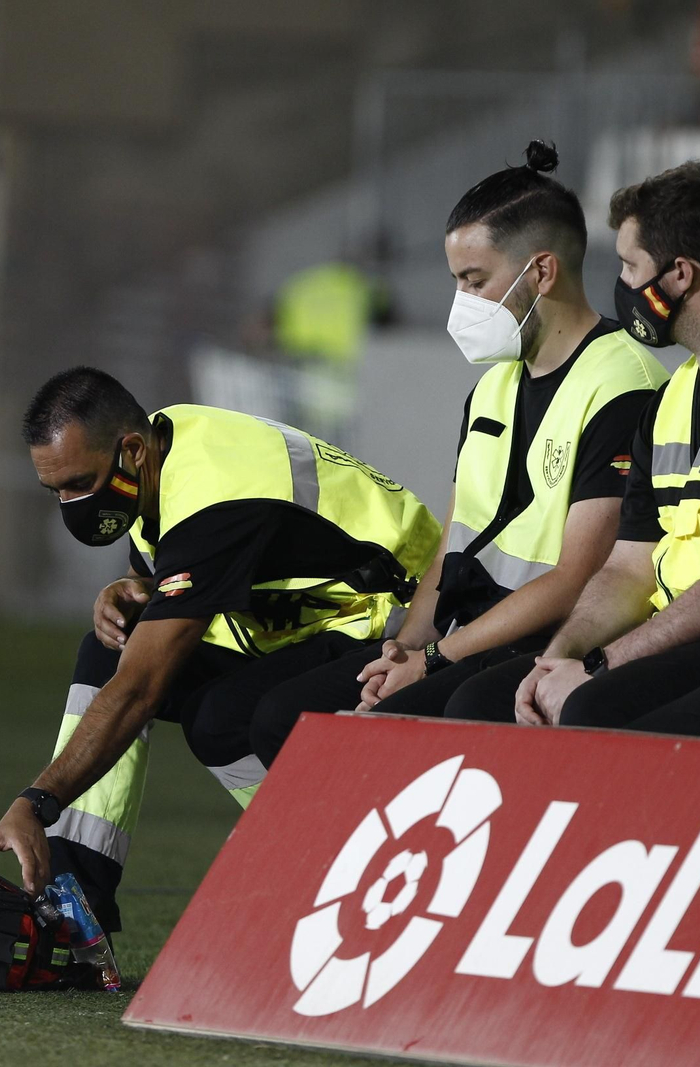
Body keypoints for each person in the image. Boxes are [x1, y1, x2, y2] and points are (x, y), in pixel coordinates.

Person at [0, 368, 441, 929]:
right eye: (57, 492)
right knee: (106, 653)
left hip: (392, 619)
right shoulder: (162, 450)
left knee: (219, 716)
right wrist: (134, 591)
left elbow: (143, 687)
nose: (71, 505)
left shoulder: (215, 493)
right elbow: (172, 576)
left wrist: (36, 800)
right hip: (298, 623)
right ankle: (73, 915)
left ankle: (332, 871)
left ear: (131, 451)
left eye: (79, 483)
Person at [245, 140, 666, 750]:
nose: (462, 303)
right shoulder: (493, 386)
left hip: (536, 639)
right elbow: (454, 541)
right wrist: (405, 646)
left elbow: (578, 576)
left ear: (542, 272)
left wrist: (436, 659)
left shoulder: (623, 383)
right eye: (457, 282)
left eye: (474, 280)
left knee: (384, 734)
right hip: (461, 632)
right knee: (274, 716)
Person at [445, 160, 700, 735]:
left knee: (591, 707)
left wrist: (599, 664)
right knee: (488, 699)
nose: (622, 285)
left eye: (629, 266)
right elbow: (627, 568)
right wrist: (560, 655)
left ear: (680, 276)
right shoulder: (672, 397)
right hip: (675, 625)